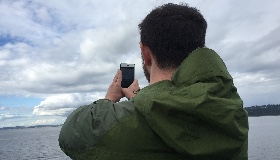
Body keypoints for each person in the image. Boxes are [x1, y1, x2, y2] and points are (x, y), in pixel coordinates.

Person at [59, 3, 249, 160]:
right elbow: (172, 105)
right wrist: (137, 97)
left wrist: (110, 97)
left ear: (146, 53)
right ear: (201, 47)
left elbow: (71, 135)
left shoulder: (127, 123)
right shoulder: (230, 110)